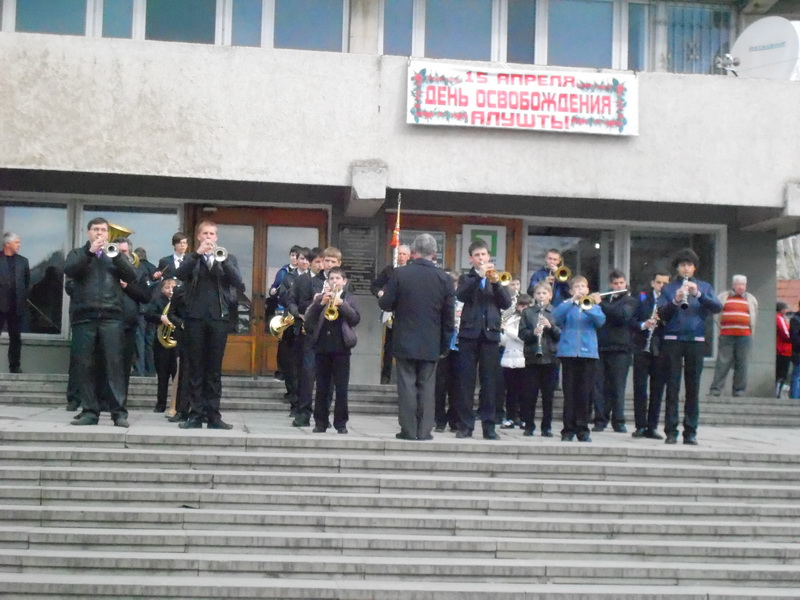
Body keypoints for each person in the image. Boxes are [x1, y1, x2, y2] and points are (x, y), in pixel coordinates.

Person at [379, 234, 454, 441]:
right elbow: (449, 316)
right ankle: (424, 431)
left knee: (406, 386)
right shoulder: (444, 278)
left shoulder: (401, 274)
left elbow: (385, 304)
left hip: (404, 338)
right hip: (431, 341)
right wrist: (445, 343)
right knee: (427, 387)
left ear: (413, 252)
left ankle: (408, 430)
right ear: (434, 253)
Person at [64, 218, 138, 427]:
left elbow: (131, 275)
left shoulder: (114, 254)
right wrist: (89, 252)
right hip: (84, 316)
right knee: (85, 366)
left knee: (114, 366)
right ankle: (89, 411)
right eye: (95, 229)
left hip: (112, 316)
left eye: (103, 230)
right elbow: (70, 270)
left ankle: (118, 413)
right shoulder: (77, 254)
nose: (100, 233)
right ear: (88, 233)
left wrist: (116, 257)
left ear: (108, 234)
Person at [175, 220, 243, 430]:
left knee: (214, 370)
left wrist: (222, 262)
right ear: (198, 236)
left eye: (212, 234)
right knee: (196, 368)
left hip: (218, 318)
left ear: (216, 237)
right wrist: (197, 254)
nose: (208, 237)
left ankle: (213, 415)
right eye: (205, 234)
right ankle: (195, 415)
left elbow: (238, 282)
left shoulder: (228, 258)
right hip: (195, 318)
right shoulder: (190, 258)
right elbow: (180, 275)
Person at [658, 248, 722, 445]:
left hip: (696, 340)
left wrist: (699, 294)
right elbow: (661, 313)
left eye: (689, 265)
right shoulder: (669, 289)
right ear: (677, 268)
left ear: (694, 268)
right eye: (682, 265)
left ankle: (690, 431)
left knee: (693, 388)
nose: (686, 268)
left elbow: (717, 307)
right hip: (672, 340)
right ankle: (671, 431)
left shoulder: (704, 286)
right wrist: (676, 300)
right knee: (672, 387)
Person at [454, 240, 512, 440]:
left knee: (490, 383)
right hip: (469, 334)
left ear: (489, 257)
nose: (481, 258)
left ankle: (489, 427)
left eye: (484, 255)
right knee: (466, 383)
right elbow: (461, 296)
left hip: (490, 335)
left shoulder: (495, 278)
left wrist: (496, 283)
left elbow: (506, 302)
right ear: (471, 258)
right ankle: (465, 426)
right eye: (477, 255)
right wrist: (477, 276)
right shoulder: (466, 277)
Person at [285, 247, 339, 427]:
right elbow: (296, 303)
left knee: (329, 379)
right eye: (326, 261)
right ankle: (304, 413)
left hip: (332, 335)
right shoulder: (307, 281)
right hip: (311, 333)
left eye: (332, 262)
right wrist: (316, 301)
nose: (328, 265)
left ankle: (323, 415)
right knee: (307, 374)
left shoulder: (342, 282)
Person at [304, 266, 360, 434]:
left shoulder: (349, 298)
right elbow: (309, 322)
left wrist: (341, 304)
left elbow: (355, 319)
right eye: (331, 278)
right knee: (322, 387)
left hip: (341, 348)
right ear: (327, 281)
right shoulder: (321, 298)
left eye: (337, 278)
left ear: (344, 282)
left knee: (341, 388)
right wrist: (319, 303)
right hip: (322, 347)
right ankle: (320, 422)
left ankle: (341, 423)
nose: (334, 281)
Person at [552, 276, 606, 442]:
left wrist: (589, 305)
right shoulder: (567, 306)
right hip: (568, 353)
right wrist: (572, 302)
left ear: (588, 290)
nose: (580, 289)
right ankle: (567, 430)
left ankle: (583, 430)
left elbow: (600, 321)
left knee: (585, 394)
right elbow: (556, 316)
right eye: (577, 286)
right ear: (571, 290)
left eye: (583, 286)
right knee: (569, 394)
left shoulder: (594, 307)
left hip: (588, 354)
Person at [592, 269, 636, 434]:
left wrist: (601, 304)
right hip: (601, 348)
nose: (619, 286)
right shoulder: (605, 299)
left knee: (617, 387)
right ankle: (600, 420)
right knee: (599, 386)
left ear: (625, 284)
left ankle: (618, 421)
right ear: (611, 285)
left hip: (620, 349)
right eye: (616, 283)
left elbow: (622, 316)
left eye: (621, 283)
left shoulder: (630, 301)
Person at [630, 271, 671, 439]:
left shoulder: (670, 301)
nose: (662, 286)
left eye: (665, 283)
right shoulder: (643, 300)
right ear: (653, 283)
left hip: (660, 349)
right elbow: (631, 321)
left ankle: (652, 427)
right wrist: (643, 324)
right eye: (659, 282)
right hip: (642, 347)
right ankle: (640, 425)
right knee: (640, 388)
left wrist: (662, 321)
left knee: (657, 389)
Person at [517, 283, 561, 437]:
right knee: (530, 395)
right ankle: (529, 425)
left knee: (548, 396)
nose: (541, 296)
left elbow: (560, 335)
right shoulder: (528, 312)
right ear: (534, 296)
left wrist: (550, 326)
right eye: (538, 293)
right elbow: (522, 334)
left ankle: (546, 427)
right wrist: (533, 333)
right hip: (532, 357)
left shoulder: (556, 312)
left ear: (550, 295)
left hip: (551, 357)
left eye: (544, 293)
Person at [708, 274, 758, 397]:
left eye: (743, 284)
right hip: (727, 335)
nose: (741, 287)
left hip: (745, 336)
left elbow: (754, 315)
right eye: (738, 284)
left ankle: (739, 391)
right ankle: (716, 390)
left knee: (742, 363)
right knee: (722, 362)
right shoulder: (723, 297)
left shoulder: (751, 299)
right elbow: (716, 315)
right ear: (733, 285)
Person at [371, 244, 411, 384]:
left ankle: (403, 377)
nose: (400, 256)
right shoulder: (389, 270)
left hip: (406, 314)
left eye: (403, 254)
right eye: (398, 253)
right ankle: (386, 376)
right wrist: (380, 293)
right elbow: (374, 286)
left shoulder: (411, 271)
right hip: (390, 312)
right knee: (389, 345)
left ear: (409, 256)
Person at [145, 278, 179, 413]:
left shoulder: (180, 302)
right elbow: (148, 315)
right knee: (162, 375)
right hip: (161, 343)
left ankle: (176, 404)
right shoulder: (158, 301)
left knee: (177, 376)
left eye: (173, 287)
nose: (170, 290)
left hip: (177, 343)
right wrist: (161, 318)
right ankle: (160, 404)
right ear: (162, 289)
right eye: (167, 287)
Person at [499, 293, 531, 429]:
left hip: (524, 359)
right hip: (509, 358)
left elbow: (523, 338)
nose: (523, 308)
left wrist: (508, 330)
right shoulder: (512, 319)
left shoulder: (531, 319)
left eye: (526, 305)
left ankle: (524, 418)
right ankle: (510, 417)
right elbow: (504, 341)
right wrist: (502, 332)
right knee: (511, 392)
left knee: (524, 391)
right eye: (521, 305)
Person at [434, 270, 460, 433]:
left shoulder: (463, 301)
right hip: (442, 346)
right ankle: (439, 420)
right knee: (440, 386)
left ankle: (454, 419)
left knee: (457, 386)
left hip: (459, 346)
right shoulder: (439, 299)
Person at [0, 233, 30, 373]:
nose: (19, 245)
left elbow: (26, 282)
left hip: (16, 306)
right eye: (16, 242)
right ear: (7, 244)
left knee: (16, 337)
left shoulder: (23, 261)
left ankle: (15, 366)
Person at [776, 302, 792, 399]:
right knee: (782, 373)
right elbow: (786, 333)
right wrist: (793, 338)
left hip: (783, 349)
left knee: (781, 372)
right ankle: (778, 392)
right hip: (783, 350)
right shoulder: (779, 318)